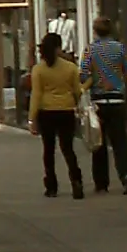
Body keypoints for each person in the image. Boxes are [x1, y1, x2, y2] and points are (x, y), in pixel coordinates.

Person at [29, 31, 84, 199]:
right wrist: (75, 102)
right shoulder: (71, 67)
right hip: (66, 110)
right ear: (59, 47)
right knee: (68, 148)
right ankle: (76, 180)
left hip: (46, 112)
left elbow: (36, 94)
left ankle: (51, 186)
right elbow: (77, 90)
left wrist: (32, 117)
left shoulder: (38, 69)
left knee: (48, 150)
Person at [80, 16, 127, 194]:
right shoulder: (120, 49)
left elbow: (83, 75)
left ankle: (101, 183)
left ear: (95, 31)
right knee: (120, 142)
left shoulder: (90, 50)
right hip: (117, 99)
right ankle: (125, 176)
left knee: (98, 142)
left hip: (98, 101)